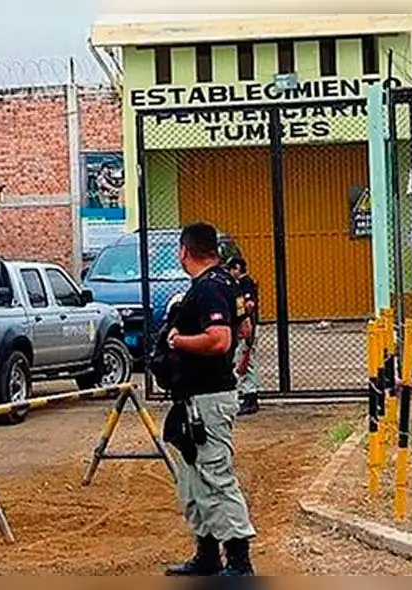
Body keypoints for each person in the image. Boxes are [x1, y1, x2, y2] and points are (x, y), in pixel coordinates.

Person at [162, 222, 257, 577]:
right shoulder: (225, 283)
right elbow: (244, 328)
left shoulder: (208, 289)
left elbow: (220, 339)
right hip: (195, 398)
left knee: (215, 476)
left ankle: (239, 560)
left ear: (185, 251)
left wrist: (177, 341)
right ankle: (206, 554)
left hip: (209, 399)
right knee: (193, 479)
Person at [227, 257, 260, 416]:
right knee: (241, 361)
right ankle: (246, 395)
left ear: (237, 268)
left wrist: (244, 321)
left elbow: (249, 305)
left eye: (231, 269)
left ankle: (250, 397)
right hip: (243, 328)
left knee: (246, 362)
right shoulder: (239, 284)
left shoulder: (245, 283)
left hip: (248, 327)